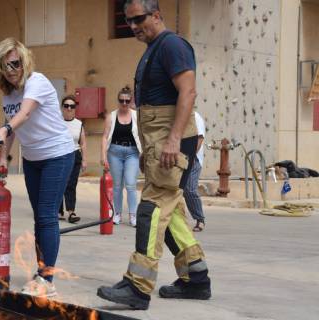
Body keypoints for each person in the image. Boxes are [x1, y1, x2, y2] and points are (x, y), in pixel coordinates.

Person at [97, 0, 211, 310]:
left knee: (150, 210)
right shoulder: (154, 48)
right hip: (157, 140)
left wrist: (174, 139)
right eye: (128, 21)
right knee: (169, 211)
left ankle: (137, 287)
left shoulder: (172, 45)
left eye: (138, 19)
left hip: (170, 141)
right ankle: (196, 278)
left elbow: (188, 91)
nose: (133, 26)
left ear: (157, 15)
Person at [0, 38, 74, 298]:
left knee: (47, 216)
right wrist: (3, 157)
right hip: (33, 159)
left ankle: (46, 279)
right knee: (40, 218)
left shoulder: (37, 81)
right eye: (6, 65)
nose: (12, 69)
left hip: (57, 156)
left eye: (16, 63)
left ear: (24, 61)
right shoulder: (8, 94)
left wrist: (5, 128)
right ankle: (42, 273)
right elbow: (12, 127)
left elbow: (22, 115)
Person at [101, 86, 142, 227]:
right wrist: (103, 156)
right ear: (118, 101)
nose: (124, 104)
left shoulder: (136, 116)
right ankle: (117, 213)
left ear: (131, 101)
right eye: (121, 101)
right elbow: (105, 137)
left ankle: (133, 215)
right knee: (117, 186)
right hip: (115, 152)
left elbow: (142, 135)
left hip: (132, 152)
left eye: (127, 101)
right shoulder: (111, 116)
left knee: (131, 184)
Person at [59, 95, 87, 224]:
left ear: (75, 108)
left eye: (72, 106)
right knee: (59, 183)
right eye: (66, 106)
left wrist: (84, 160)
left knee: (71, 184)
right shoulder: (56, 122)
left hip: (75, 155)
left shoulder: (79, 124)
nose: (69, 108)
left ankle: (71, 212)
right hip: (59, 155)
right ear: (62, 108)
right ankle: (58, 211)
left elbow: (83, 143)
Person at [184, 111, 206, 232]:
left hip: (194, 159)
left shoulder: (195, 117)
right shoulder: (177, 114)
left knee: (190, 189)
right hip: (180, 156)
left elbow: (200, 138)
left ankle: (200, 219)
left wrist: (191, 156)